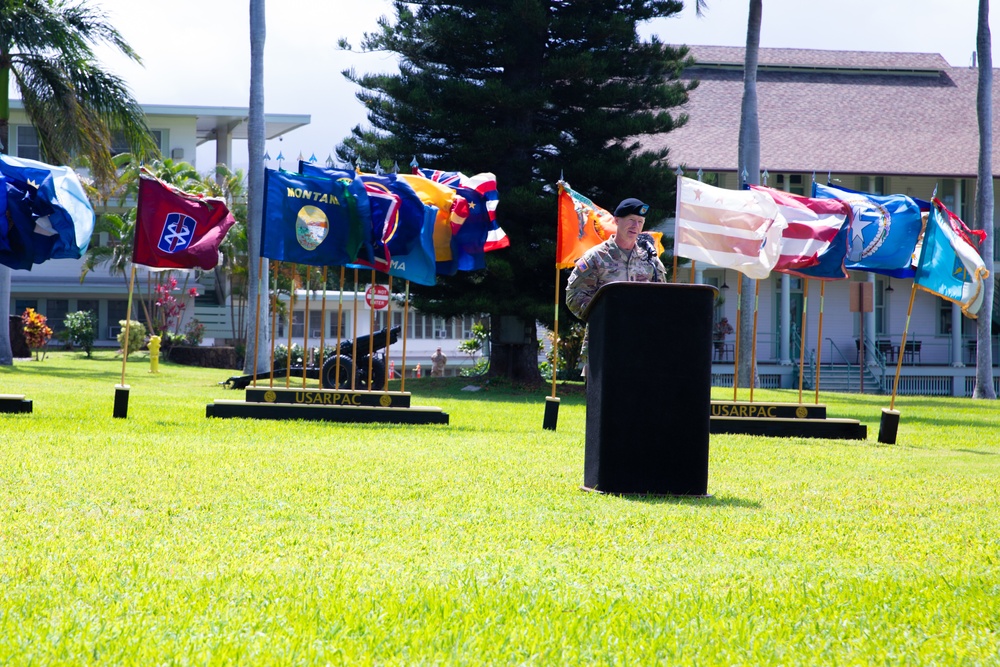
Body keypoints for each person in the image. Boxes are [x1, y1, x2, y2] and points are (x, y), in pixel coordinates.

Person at [565, 197, 667, 320]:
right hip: (605, 334)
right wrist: (604, 315)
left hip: (641, 334)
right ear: (617, 221)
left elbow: (663, 296)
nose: (636, 226)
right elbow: (574, 296)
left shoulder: (650, 259)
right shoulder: (596, 257)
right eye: (631, 220)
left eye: (640, 222)